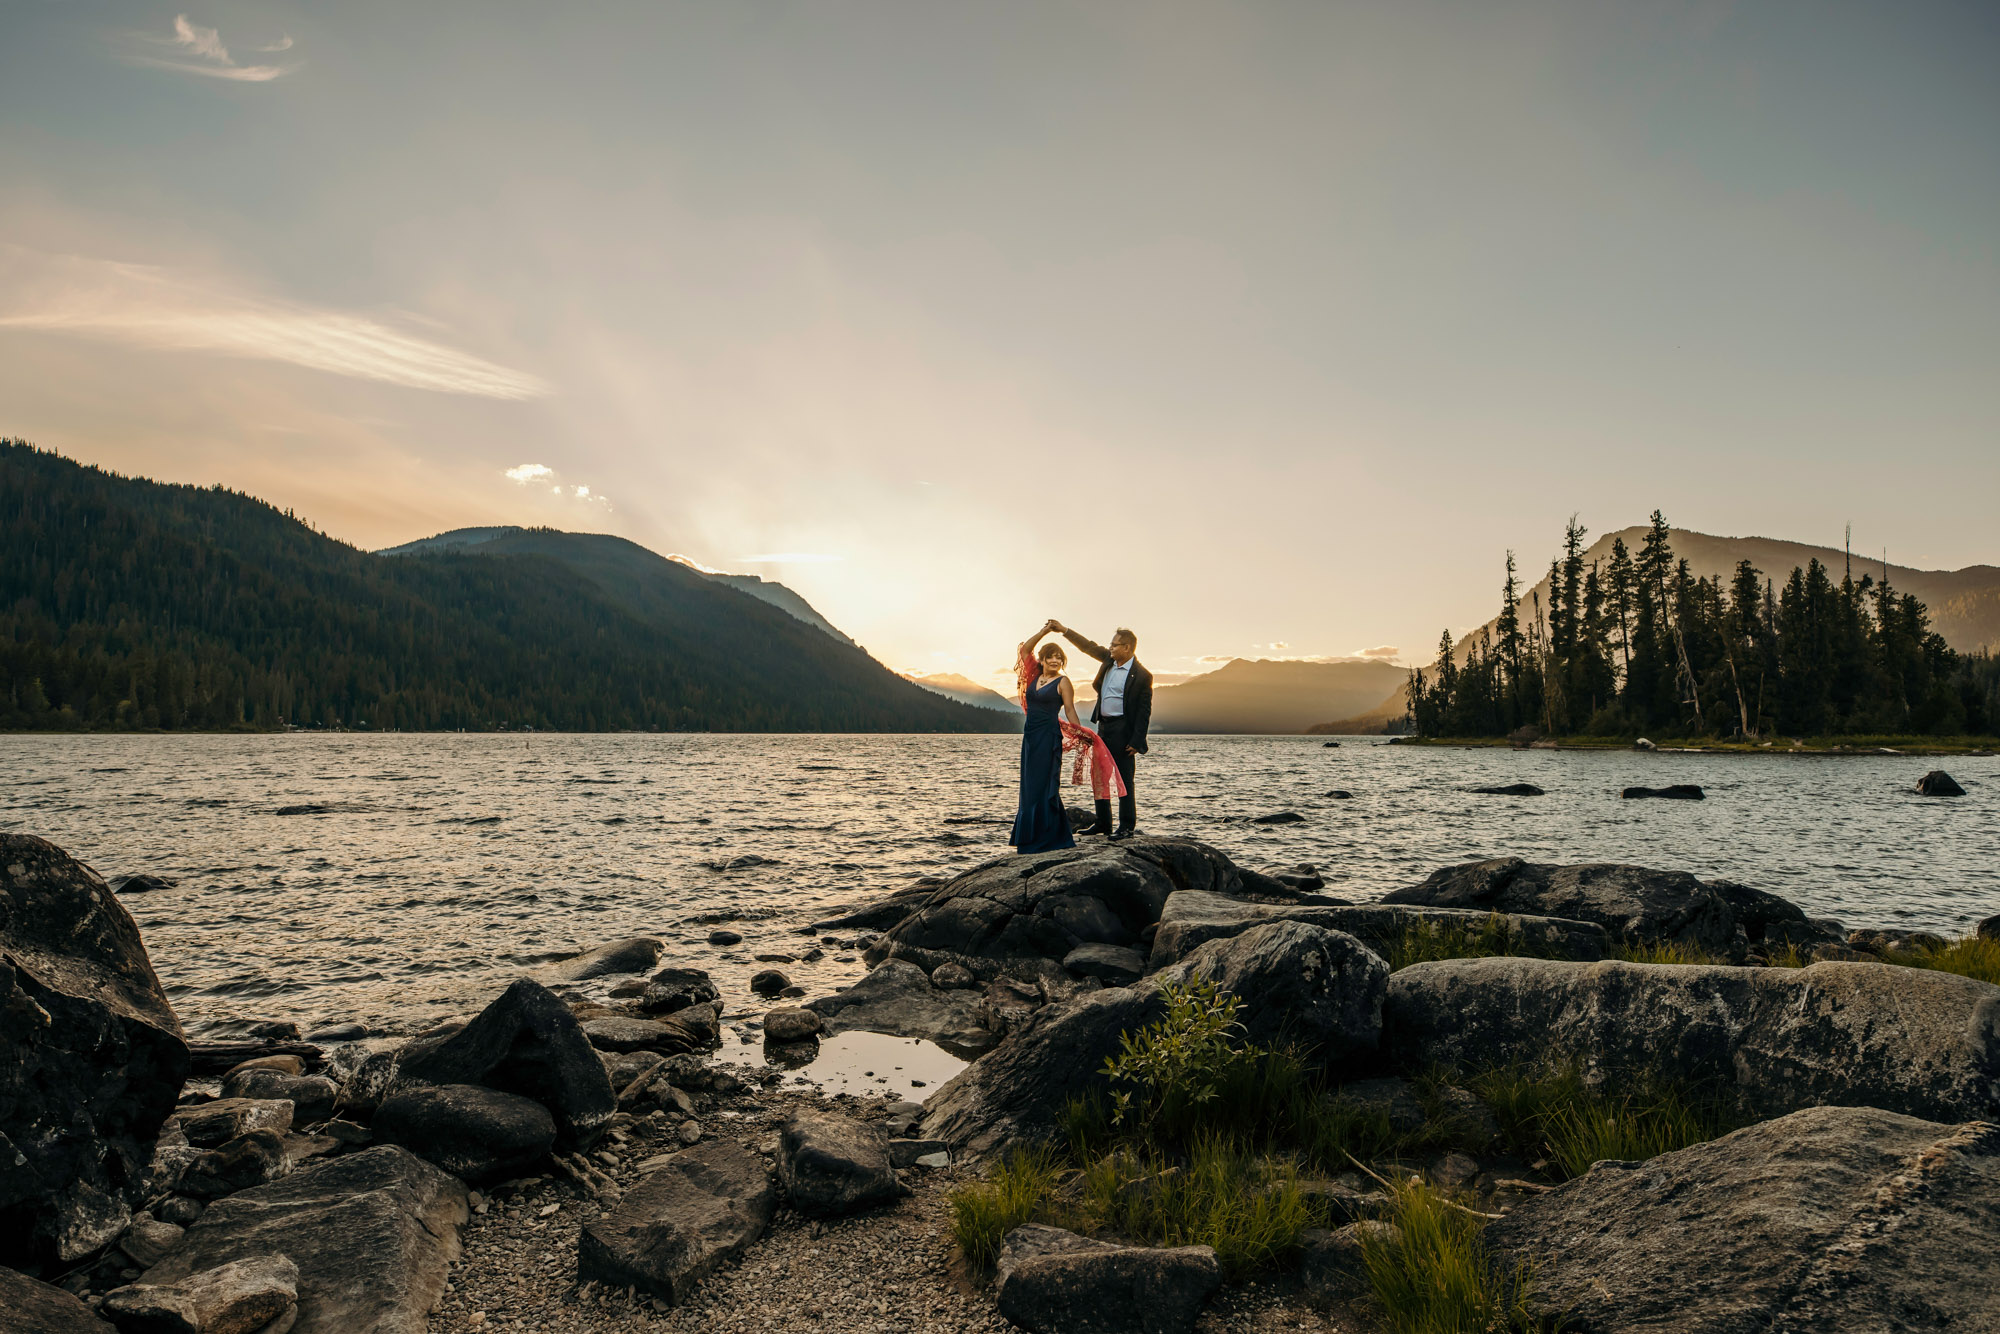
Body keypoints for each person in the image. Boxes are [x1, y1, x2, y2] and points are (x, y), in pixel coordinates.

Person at [1009, 621, 1126, 853]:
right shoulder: (1032, 676)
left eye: (1059, 658)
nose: (1055, 661)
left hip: (1049, 737)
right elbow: (1025, 650)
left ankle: (1052, 837)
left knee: (1046, 786)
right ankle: (1029, 839)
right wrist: (1044, 632)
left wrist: (1080, 732)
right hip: (1030, 739)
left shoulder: (1063, 682)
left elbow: (1070, 710)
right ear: (1041, 660)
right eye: (1050, 657)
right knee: (1029, 788)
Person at [1053, 622, 1152, 839]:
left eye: (1115, 645)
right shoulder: (1108, 660)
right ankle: (1103, 823)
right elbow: (1087, 646)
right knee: (1100, 776)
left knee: (1124, 779)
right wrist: (1065, 631)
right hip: (1103, 727)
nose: (1110, 648)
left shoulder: (1142, 675)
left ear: (1127, 648)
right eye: (1111, 644)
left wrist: (1137, 741)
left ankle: (1126, 827)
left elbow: (1144, 712)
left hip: (1124, 731)